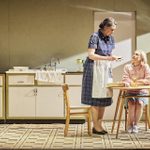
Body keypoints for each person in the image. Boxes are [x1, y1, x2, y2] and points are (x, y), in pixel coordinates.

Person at [81, 17, 121, 135]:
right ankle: (96, 126)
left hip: (105, 69)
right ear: (105, 27)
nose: (113, 32)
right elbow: (91, 55)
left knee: (104, 98)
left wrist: (113, 57)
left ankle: (99, 124)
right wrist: (109, 58)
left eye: (114, 30)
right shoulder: (95, 36)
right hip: (94, 69)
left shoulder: (111, 38)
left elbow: (108, 54)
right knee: (95, 98)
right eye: (111, 29)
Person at [122, 50, 150, 133]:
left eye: (136, 54)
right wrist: (130, 82)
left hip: (142, 92)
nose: (134, 55)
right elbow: (125, 78)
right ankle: (130, 125)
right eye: (134, 54)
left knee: (139, 104)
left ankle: (135, 125)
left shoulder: (145, 67)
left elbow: (148, 79)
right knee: (131, 104)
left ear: (141, 57)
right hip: (130, 92)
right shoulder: (127, 67)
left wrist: (138, 81)